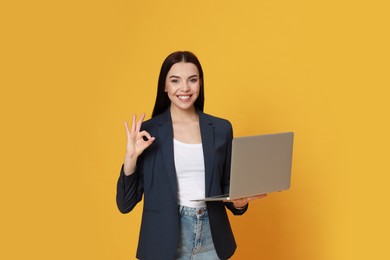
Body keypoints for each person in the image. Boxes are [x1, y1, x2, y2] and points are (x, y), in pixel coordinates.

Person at [116, 51, 266, 260]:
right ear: (164, 86)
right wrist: (130, 159)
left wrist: (239, 203)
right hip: (163, 241)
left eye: (192, 80)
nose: (185, 88)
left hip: (211, 239)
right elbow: (125, 204)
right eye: (175, 80)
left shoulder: (221, 129)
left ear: (200, 84)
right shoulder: (149, 133)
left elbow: (227, 187)